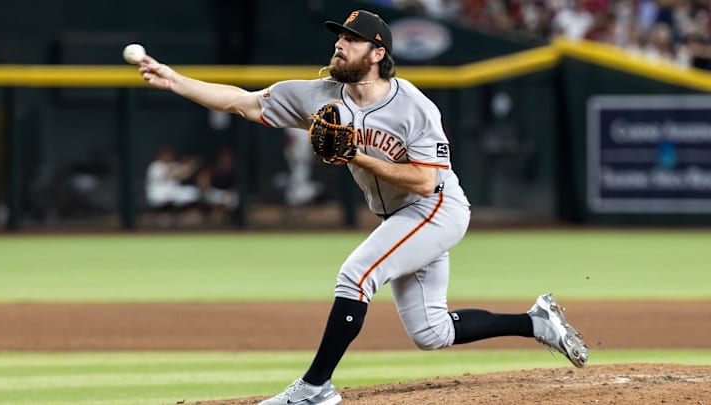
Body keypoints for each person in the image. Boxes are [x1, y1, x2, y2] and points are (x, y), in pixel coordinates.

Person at [137, 10, 588, 405]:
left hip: (436, 207)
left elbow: (425, 179)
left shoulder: (413, 106)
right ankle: (536, 323)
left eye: (350, 39)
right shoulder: (319, 95)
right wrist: (174, 80)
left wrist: (355, 154)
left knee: (356, 274)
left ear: (377, 53)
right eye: (338, 37)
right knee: (432, 333)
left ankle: (315, 387)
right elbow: (242, 102)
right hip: (400, 217)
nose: (338, 43)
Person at [145, 146, 201, 227]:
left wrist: (191, 166)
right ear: (160, 156)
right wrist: (178, 167)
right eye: (165, 155)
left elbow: (184, 175)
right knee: (166, 218)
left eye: (168, 155)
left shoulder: (172, 164)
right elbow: (166, 176)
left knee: (192, 191)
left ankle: (183, 216)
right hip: (158, 194)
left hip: (172, 194)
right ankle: (168, 218)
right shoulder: (155, 166)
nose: (167, 157)